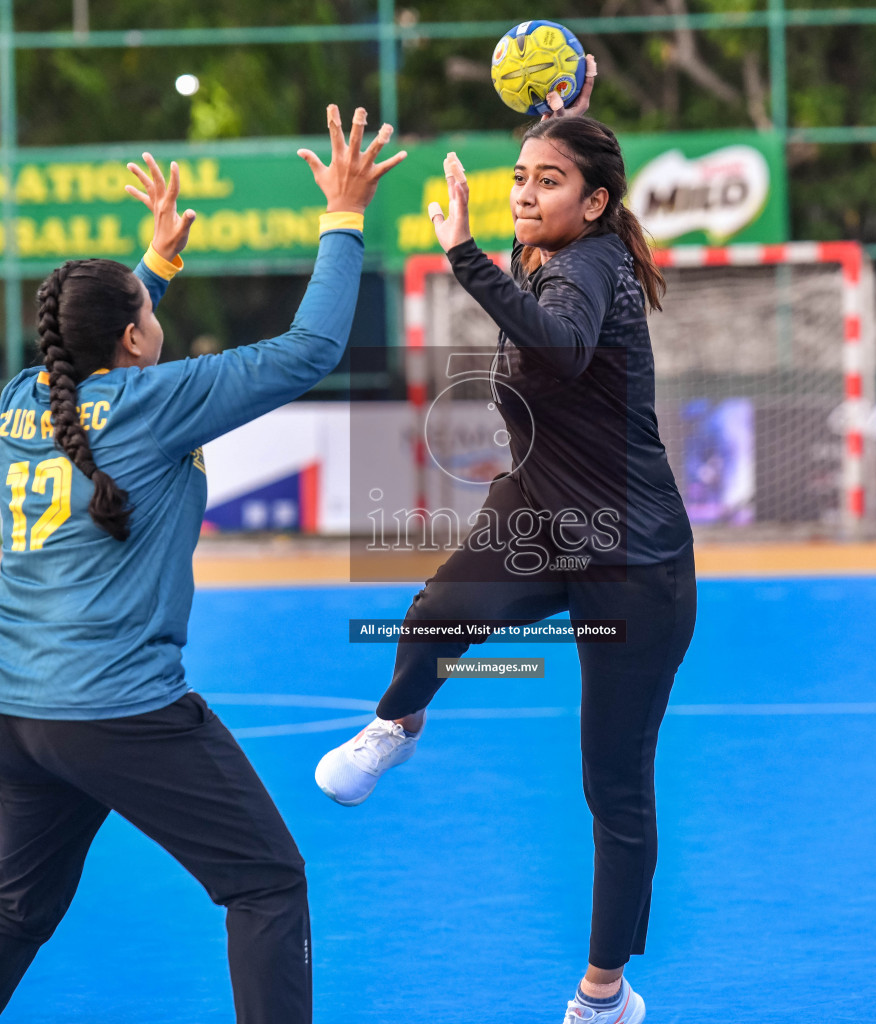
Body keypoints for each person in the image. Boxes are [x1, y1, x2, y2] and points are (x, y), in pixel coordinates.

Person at [0, 105, 405, 1024]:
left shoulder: (23, 398)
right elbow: (310, 350)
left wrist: (156, 267)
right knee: (267, 882)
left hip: (2, 701)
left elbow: (93, 359)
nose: (154, 315)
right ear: (136, 340)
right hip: (112, 707)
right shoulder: (157, 401)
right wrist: (343, 216)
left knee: (19, 904)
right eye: (149, 308)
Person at [314, 64, 697, 1024]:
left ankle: (604, 998)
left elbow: (561, 344)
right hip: (534, 513)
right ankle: (398, 726)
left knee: (612, 782)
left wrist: (465, 253)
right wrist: (562, 112)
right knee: (434, 615)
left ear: (597, 203)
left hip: (631, 553)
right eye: (519, 177)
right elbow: (560, 181)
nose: (526, 191)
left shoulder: (589, 265)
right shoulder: (563, 234)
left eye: (549, 181)